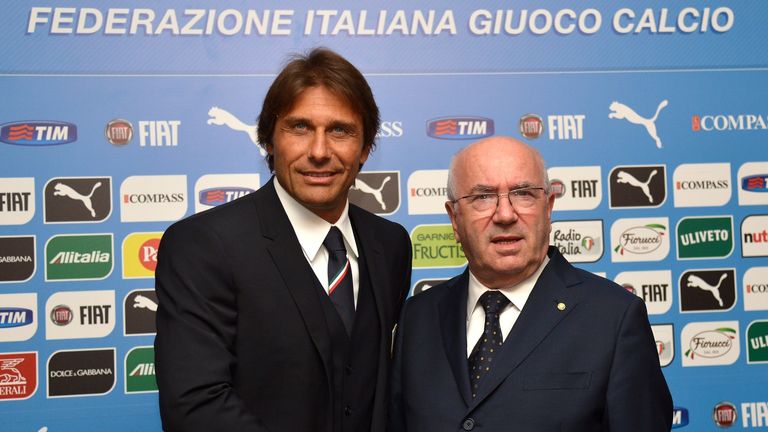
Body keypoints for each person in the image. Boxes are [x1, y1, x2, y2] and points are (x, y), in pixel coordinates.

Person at [155, 48, 412, 432]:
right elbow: (196, 406)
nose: (320, 152)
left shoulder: (390, 244)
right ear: (269, 142)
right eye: (300, 127)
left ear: (364, 150)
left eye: (340, 130)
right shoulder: (202, 246)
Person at [389, 137, 672, 431]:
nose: (505, 214)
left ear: (548, 209)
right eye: (483, 197)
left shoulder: (613, 318)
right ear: (455, 220)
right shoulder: (418, 317)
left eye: (523, 193)